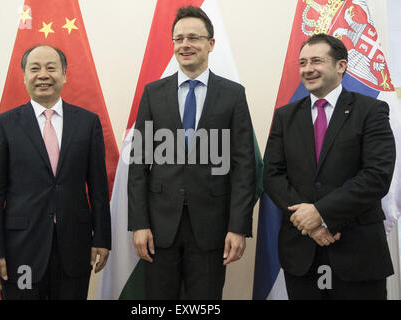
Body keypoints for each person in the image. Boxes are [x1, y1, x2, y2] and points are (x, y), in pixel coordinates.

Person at [128, 6, 256, 299]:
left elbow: (244, 166)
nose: (185, 45)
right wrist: (139, 224)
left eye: (193, 38)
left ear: (210, 44)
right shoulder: (153, 93)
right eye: (178, 38)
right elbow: (138, 164)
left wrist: (238, 227)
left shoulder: (233, 95)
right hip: (159, 228)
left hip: (212, 227)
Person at [263, 33, 395, 300]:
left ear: (341, 66)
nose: (307, 69)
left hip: (357, 251)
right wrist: (309, 222)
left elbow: (376, 176)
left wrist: (322, 213)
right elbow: (272, 175)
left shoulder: (371, 111)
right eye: (302, 63)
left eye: (316, 61)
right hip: (302, 252)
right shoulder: (285, 116)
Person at [0, 45, 111, 300]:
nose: (43, 75)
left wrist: (102, 239)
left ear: (64, 74)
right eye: (35, 68)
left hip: (73, 247)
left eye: (51, 68)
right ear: (24, 76)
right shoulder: (3, 126)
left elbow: (99, 190)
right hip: (21, 252)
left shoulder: (87, 122)